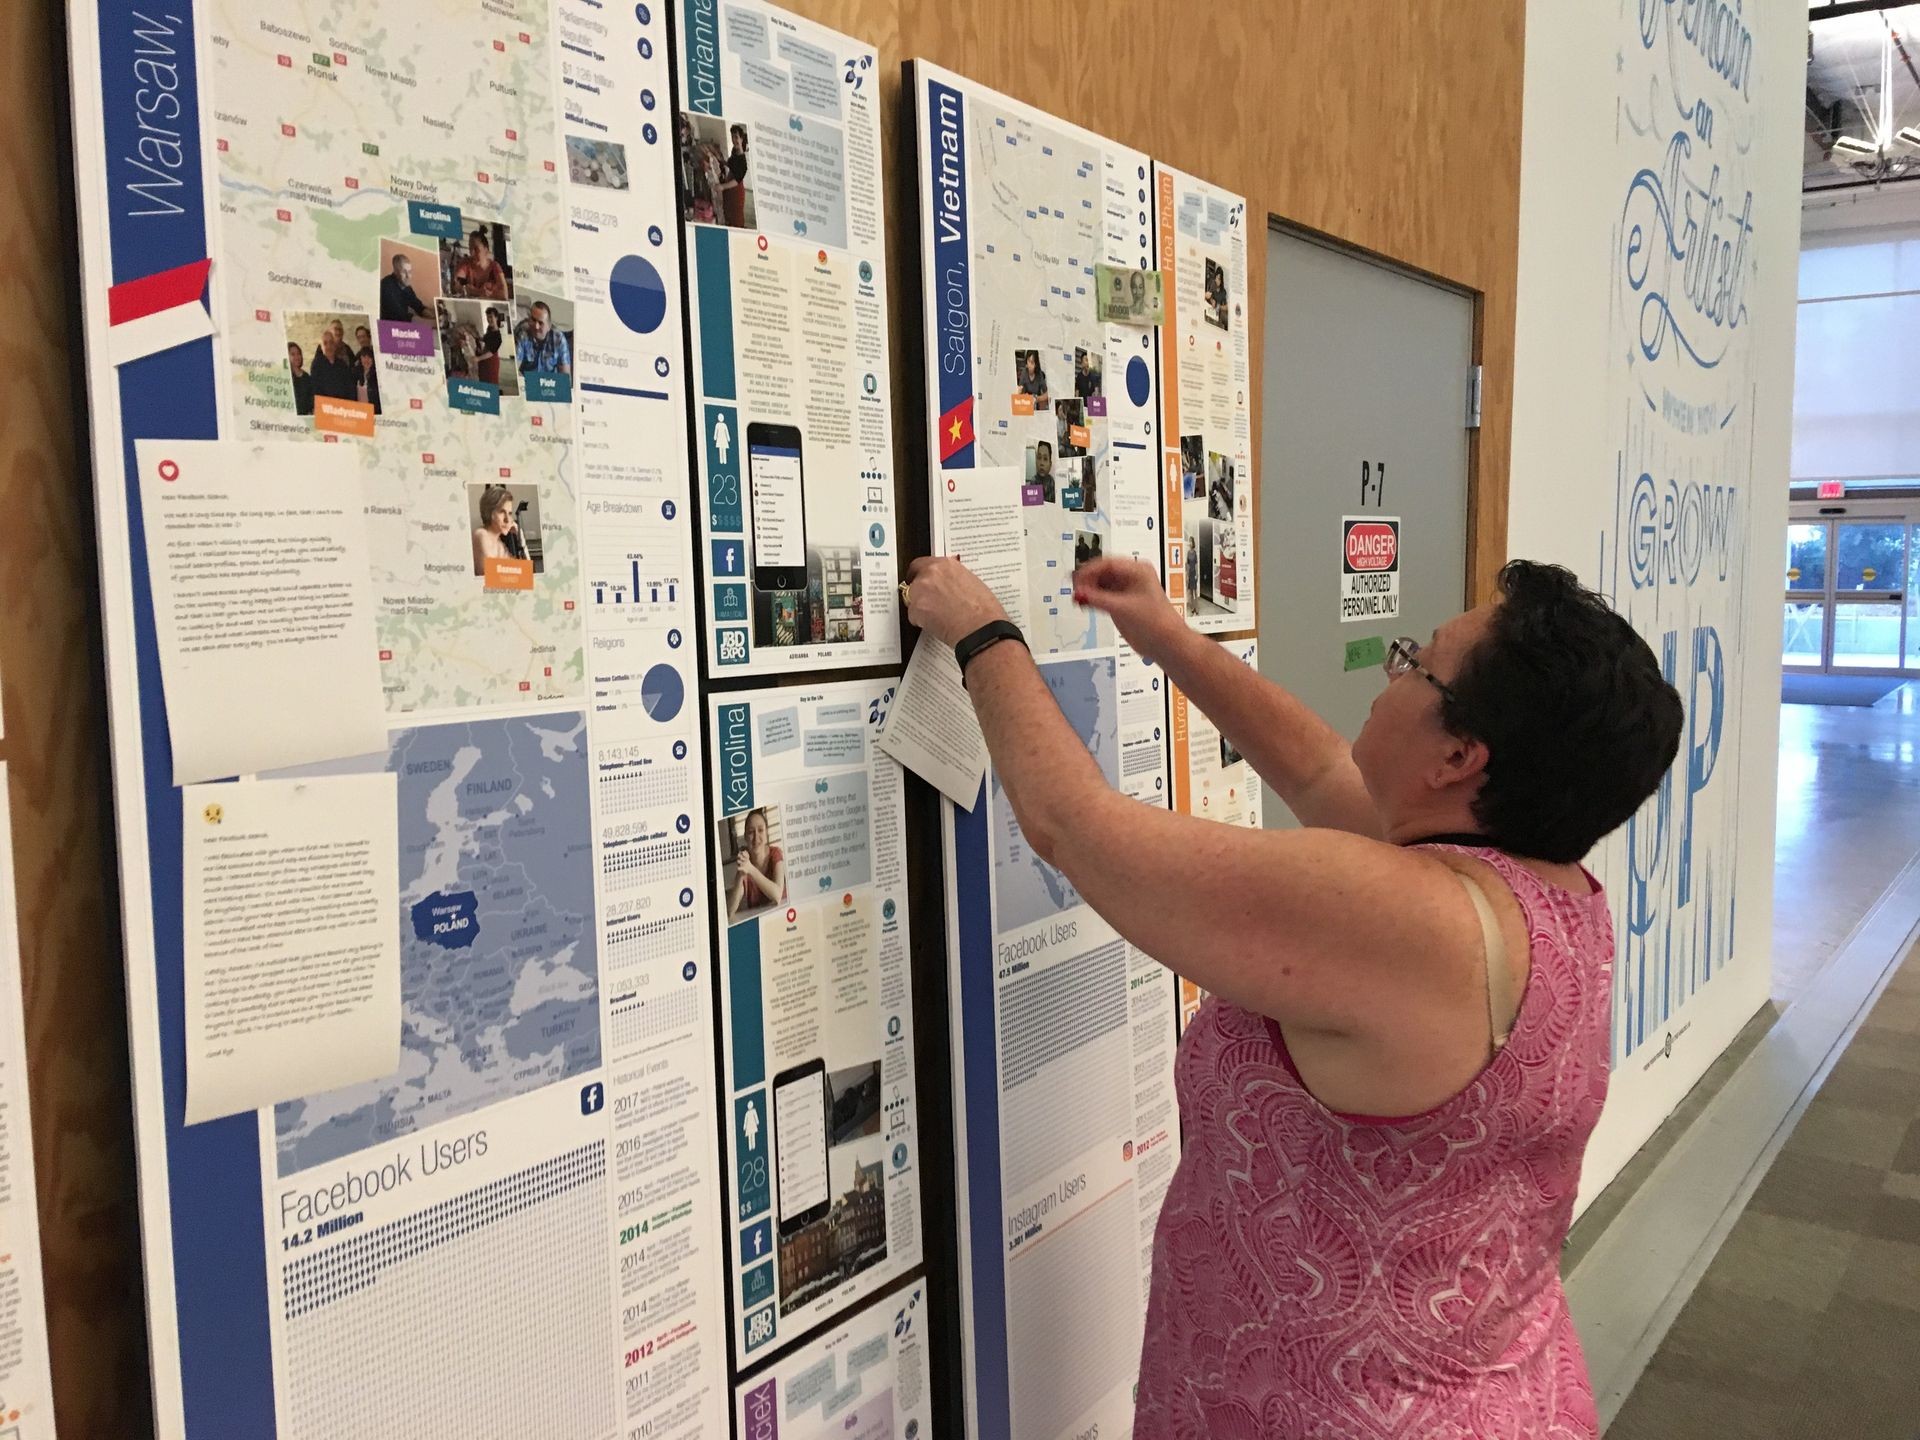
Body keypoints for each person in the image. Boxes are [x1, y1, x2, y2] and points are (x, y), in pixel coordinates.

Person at [899, 551, 1684, 1439]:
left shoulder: (1411, 925)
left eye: (1415, 662)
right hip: (1494, 1389)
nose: (1389, 678)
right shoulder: (1538, 889)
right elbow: (1318, 773)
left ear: (1459, 756)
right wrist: (1170, 640)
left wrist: (983, 634)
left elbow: (1074, 826)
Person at [727, 808, 787, 918]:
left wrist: (751, 869)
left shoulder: (775, 853)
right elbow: (730, 910)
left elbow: (777, 895)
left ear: (766, 833)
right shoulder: (745, 862)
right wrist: (740, 875)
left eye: (760, 830)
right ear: (745, 836)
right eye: (750, 832)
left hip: (782, 915)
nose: (756, 837)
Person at [471, 485, 527, 573]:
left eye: (509, 513)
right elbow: (492, 577)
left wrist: (522, 541)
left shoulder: (500, 545)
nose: (507, 519)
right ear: (489, 512)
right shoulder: (481, 535)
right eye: (502, 512)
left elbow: (527, 575)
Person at [516, 301, 571, 376]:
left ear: (549, 326)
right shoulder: (522, 333)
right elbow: (515, 371)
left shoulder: (559, 339)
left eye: (540, 323)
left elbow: (565, 377)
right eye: (533, 320)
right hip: (527, 382)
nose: (536, 326)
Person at [308, 326, 359, 402]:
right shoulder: (316, 365)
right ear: (321, 347)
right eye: (325, 343)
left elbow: (350, 388)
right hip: (327, 408)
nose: (329, 346)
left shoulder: (342, 364)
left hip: (344, 408)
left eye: (331, 342)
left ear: (335, 345)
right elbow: (316, 390)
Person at [456, 232, 509, 300]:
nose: (471, 253)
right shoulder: (466, 263)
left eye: (476, 249)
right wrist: (479, 292)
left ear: (486, 249)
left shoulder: (495, 266)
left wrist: (473, 291)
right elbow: (456, 286)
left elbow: (504, 295)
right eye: (470, 248)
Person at [380, 253, 428, 322]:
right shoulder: (386, 286)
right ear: (395, 272)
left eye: (410, 272)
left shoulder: (407, 287)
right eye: (404, 272)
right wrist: (434, 323)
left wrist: (435, 316)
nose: (408, 276)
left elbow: (420, 307)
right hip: (387, 327)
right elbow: (403, 318)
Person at [721, 123, 750, 228]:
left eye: (736, 137)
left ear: (742, 139)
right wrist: (721, 160)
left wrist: (722, 186)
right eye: (732, 137)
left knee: (736, 216)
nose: (734, 140)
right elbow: (730, 164)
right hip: (729, 186)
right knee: (728, 210)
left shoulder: (743, 161)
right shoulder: (734, 151)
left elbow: (737, 180)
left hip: (736, 190)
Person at [478, 307, 505, 387]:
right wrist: (476, 337)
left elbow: (491, 352)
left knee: (491, 382)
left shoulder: (498, 336)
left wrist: (478, 358)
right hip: (484, 359)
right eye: (487, 317)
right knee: (483, 380)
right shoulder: (489, 328)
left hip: (491, 362)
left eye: (491, 317)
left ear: (496, 318)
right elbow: (486, 339)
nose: (489, 319)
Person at [286, 342, 313, 416]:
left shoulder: (306, 377)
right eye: (293, 354)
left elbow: (311, 400)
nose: (297, 357)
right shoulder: (285, 376)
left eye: (298, 353)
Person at [355, 347, 381, 414]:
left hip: (373, 412)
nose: (366, 360)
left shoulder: (377, 376)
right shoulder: (356, 373)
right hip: (359, 411)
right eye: (364, 357)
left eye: (369, 357)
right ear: (360, 359)